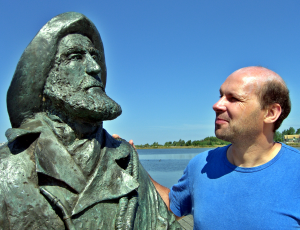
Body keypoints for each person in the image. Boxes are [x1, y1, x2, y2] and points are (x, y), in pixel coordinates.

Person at [0, 12, 180, 229]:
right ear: (44, 77)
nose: (95, 67)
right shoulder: (8, 165)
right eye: (76, 57)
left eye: (94, 56)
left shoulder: (124, 158)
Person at [127, 66, 300, 229]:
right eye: (221, 96)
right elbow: (170, 207)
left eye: (233, 98)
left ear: (270, 113)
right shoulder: (201, 164)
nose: (216, 105)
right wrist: (132, 163)